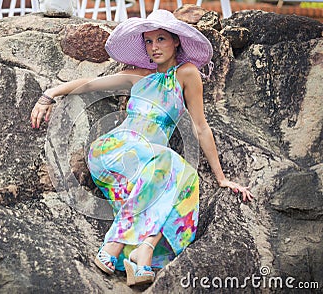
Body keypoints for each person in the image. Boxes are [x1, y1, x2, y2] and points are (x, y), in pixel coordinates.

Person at [30, 9, 254, 287]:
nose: (154, 47)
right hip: (114, 150)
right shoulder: (136, 76)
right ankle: (117, 244)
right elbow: (88, 85)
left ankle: (141, 252)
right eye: (149, 41)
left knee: (181, 179)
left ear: (176, 42)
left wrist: (221, 179)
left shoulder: (186, 74)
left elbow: (200, 126)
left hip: (149, 165)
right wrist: (48, 94)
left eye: (161, 39)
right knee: (174, 166)